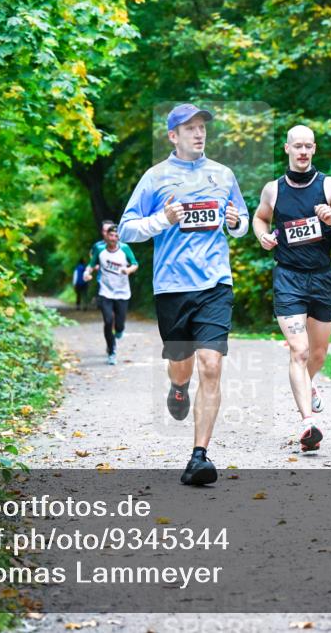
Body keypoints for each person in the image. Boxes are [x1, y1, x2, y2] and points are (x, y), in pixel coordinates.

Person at [118, 103, 249, 486]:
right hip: (172, 286)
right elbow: (127, 229)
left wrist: (236, 222)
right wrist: (163, 220)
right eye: (189, 128)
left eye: (202, 127)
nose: (198, 133)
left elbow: (240, 220)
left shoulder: (223, 175)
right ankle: (177, 388)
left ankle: (199, 457)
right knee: (182, 361)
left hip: (215, 283)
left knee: (211, 365)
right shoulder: (155, 177)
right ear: (172, 136)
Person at [252, 125, 331, 453]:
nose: (302, 152)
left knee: (318, 354)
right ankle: (307, 423)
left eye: (308, 147)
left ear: (314, 149)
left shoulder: (329, 186)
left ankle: (309, 384)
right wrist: (263, 236)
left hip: (322, 277)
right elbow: (260, 218)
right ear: (286, 148)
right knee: (298, 350)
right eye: (297, 146)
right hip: (288, 277)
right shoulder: (273, 189)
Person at [84, 225, 137, 365]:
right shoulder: (100, 250)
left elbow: (135, 263)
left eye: (116, 236)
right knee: (108, 321)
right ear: (106, 236)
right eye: (111, 235)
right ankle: (111, 350)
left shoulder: (124, 248)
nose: (113, 238)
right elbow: (91, 265)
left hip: (122, 292)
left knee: (119, 325)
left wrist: (129, 270)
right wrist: (86, 273)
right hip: (105, 292)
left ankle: (119, 331)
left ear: (118, 237)